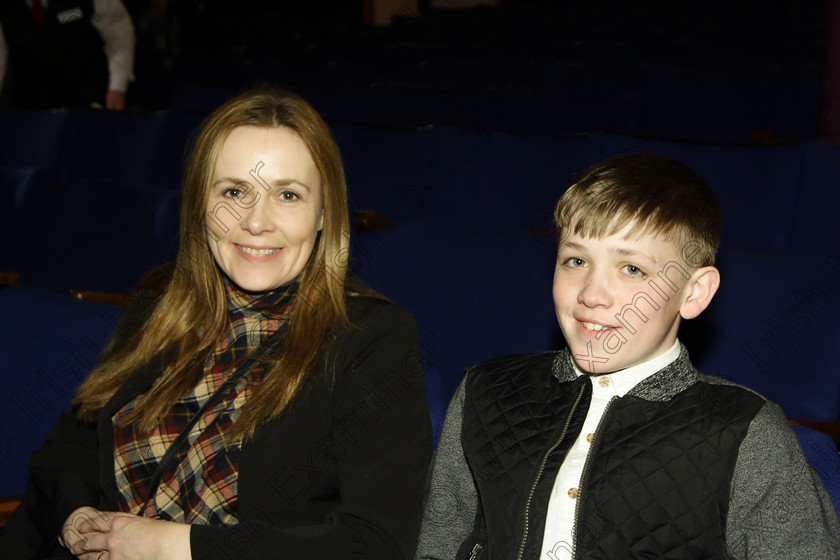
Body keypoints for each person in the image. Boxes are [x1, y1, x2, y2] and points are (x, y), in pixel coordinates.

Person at [1, 85, 432, 560]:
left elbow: (375, 542)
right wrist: (77, 519)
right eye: (234, 192)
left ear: (324, 213)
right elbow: (69, 453)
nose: (255, 222)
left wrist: (174, 546)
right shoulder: (161, 305)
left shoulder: (370, 341)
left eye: (288, 194)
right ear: (201, 205)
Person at [414, 153, 840, 560]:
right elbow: (440, 542)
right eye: (576, 260)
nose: (591, 295)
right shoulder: (487, 391)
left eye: (632, 268)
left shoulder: (743, 430)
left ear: (694, 292)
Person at [0, 0, 135, 110]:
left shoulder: (84, 6)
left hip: (89, 103)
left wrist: (117, 86)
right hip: (31, 110)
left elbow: (118, 33)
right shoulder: (7, 8)